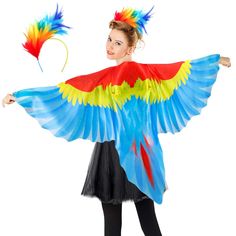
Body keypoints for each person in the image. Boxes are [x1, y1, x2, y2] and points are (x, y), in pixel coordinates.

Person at [2, 7, 231, 236]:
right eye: (109, 39)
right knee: (145, 220)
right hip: (134, 151)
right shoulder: (146, 74)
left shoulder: (113, 78)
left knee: (116, 225)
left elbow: (65, 91)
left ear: (130, 48)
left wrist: (23, 96)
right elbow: (179, 70)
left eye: (117, 43)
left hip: (118, 153)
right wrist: (215, 60)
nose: (110, 46)